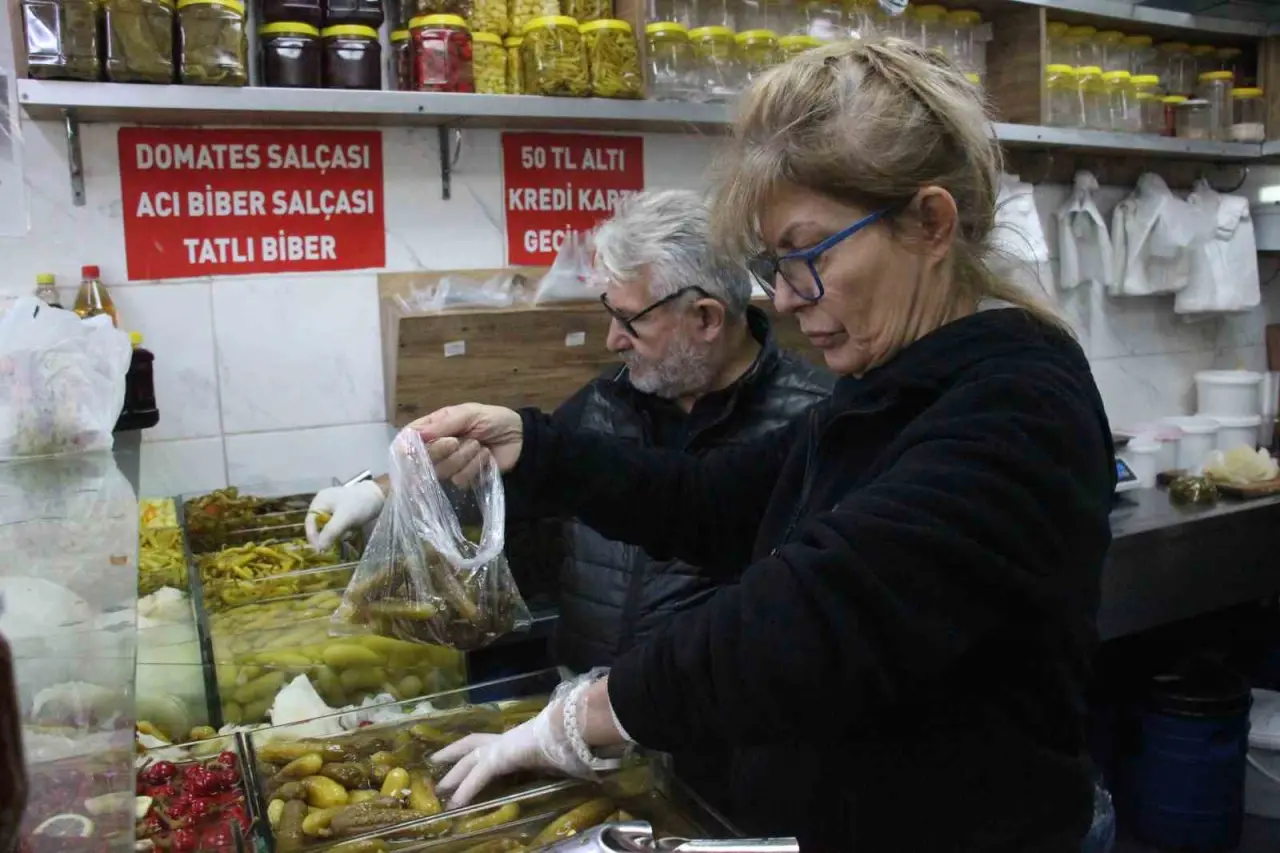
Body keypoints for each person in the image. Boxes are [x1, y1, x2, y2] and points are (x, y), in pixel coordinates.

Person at [412, 40, 1116, 852]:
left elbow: (808, 619)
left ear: (929, 223)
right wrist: (534, 447)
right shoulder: (885, 386)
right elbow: (712, 499)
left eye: (805, 254)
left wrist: (582, 718)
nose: (781, 297)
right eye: (772, 262)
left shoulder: (1016, 410)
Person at [308, 190, 832, 676]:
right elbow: (500, 478)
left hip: (711, 738)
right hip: (583, 710)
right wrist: (380, 492)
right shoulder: (608, 402)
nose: (612, 340)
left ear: (706, 317)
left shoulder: (814, 424)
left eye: (631, 321)